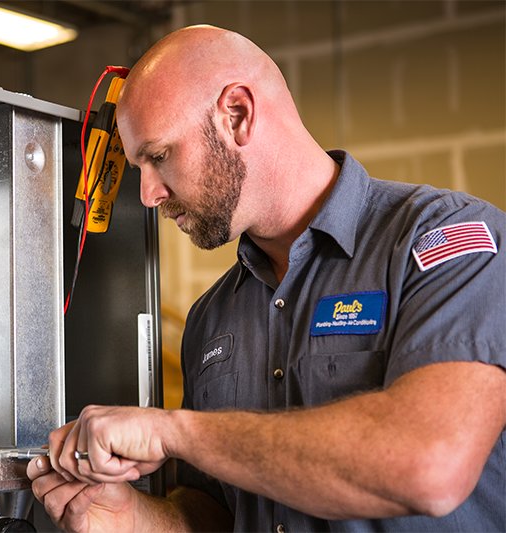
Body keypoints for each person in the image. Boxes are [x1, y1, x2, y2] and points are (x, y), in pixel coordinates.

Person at [28, 24, 506, 532]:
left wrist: (174, 431)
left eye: (160, 156)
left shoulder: (445, 240)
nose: (147, 194)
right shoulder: (212, 316)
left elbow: (429, 467)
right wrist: (131, 519)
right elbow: (216, 513)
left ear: (237, 114)